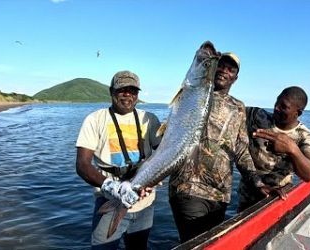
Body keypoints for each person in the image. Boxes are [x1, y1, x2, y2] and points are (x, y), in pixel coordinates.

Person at [168, 52, 264, 243]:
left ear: (235, 78)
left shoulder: (238, 107)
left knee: (211, 243)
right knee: (196, 242)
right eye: (220, 65)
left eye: (230, 69)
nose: (223, 71)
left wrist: (258, 182)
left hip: (220, 194)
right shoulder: (194, 94)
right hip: (188, 188)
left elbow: (241, 149)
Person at [75, 70, 161, 250]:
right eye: (122, 90)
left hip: (145, 203)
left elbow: (165, 152)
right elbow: (83, 165)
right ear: (111, 91)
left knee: (139, 247)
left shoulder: (150, 119)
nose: (128, 95)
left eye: (133, 91)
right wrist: (112, 187)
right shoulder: (95, 120)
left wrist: (156, 178)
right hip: (109, 199)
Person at [237, 86, 310, 212]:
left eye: (283, 107)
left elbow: (309, 174)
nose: (276, 108)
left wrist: (292, 149)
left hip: (279, 196)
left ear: (298, 113)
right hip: (248, 191)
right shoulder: (256, 116)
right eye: (277, 102)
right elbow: (229, 110)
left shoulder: (304, 135)